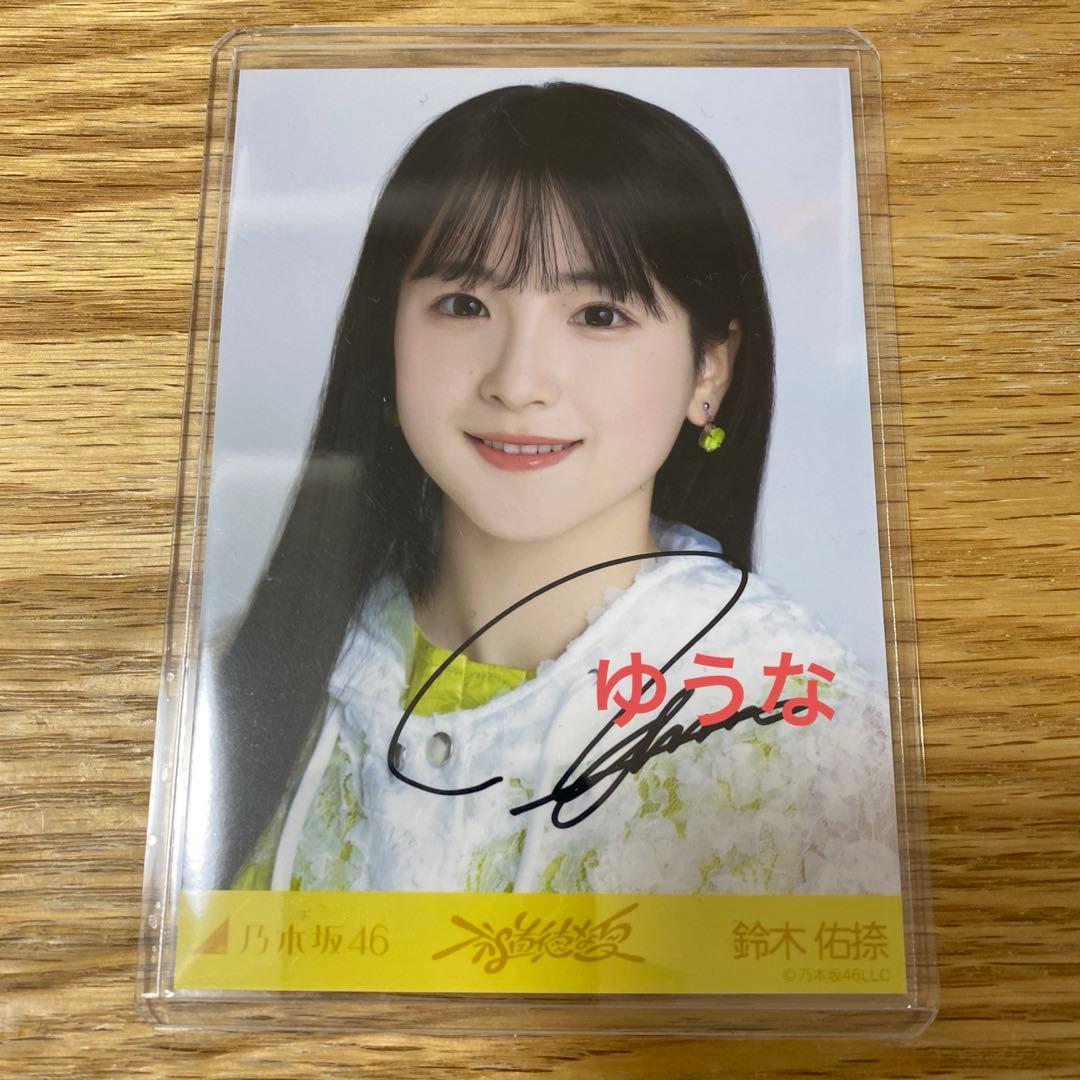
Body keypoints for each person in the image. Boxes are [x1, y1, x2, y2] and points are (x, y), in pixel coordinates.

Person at [186, 81, 900, 897]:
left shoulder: (807, 735)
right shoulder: (243, 681)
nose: (518, 382)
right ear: (387, 338)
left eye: (598, 315)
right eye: (464, 304)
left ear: (709, 369)